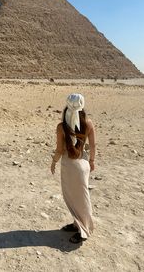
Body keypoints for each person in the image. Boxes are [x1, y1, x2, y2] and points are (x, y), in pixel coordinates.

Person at [50, 93, 96, 243]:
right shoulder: (88, 123)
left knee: (74, 198)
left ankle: (84, 230)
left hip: (70, 166)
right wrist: (92, 161)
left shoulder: (61, 127)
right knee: (81, 198)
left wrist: (53, 162)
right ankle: (77, 224)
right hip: (83, 164)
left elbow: (59, 150)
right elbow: (93, 145)